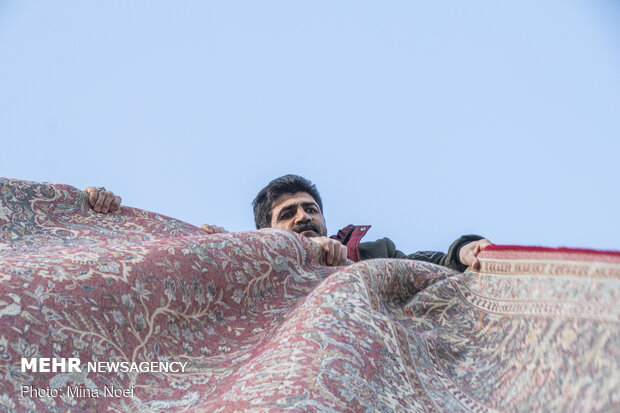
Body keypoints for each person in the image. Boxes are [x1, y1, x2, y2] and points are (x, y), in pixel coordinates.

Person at [202, 174, 491, 270]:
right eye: (288, 214)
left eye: (311, 209)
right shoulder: (256, 266)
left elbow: (430, 270)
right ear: (266, 232)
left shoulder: (376, 254)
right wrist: (220, 247)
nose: (303, 217)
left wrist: (463, 252)